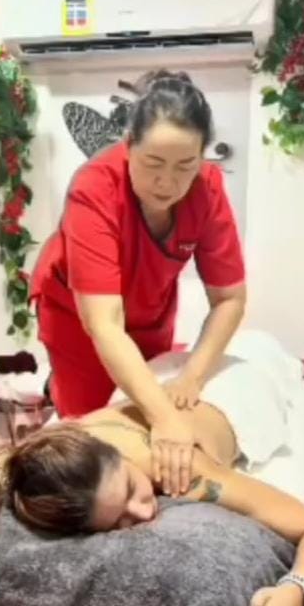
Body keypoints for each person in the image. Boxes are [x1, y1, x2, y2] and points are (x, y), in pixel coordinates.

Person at [0, 379, 304, 606]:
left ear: (124, 460)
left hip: (240, 400)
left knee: (262, 359)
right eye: (121, 522)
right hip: (150, 396)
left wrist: (296, 590)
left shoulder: (180, 470)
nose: (145, 512)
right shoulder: (43, 456)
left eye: (133, 488)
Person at [31, 69, 246, 496]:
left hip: (150, 308)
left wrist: (192, 377)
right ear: (128, 146)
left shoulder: (207, 189)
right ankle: (55, 389)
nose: (168, 182)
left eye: (185, 166)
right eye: (153, 164)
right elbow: (104, 323)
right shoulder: (95, 188)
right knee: (93, 436)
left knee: (142, 413)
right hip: (80, 318)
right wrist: (165, 418)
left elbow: (230, 298)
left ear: (202, 158)